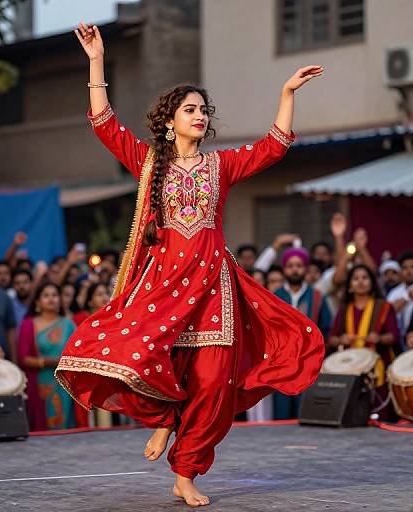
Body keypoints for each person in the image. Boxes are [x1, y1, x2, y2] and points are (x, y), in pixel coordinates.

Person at [55, 22, 324, 508]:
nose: (200, 116)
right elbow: (104, 123)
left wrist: (286, 92)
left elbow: (274, 146)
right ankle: (163, 418)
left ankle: (186, 470)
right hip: (161, 288)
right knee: (137, 357)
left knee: (215, 381)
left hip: (213, 289)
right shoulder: (148, 164)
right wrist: (97, 60)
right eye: (190, 109)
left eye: (204, 110)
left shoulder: (221, 166)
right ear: (168, 122)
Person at [328, 264, 400, 420]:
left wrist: (379, 338)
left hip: (377, 365)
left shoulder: (384, 307)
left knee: (379, 414)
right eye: (355, 279)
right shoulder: (345, 309)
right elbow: (331, 339)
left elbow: (394, 336)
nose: (360, 282)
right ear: (350, 286)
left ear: (372, 283)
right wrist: (342, 339)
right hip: (350, 367)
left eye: (365, 278)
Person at [273, 247, 331, 419]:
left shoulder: (317, 297)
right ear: (284, 269)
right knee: (282, 411)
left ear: (305, 268)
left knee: (305, 409)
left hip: (308, 361)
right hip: (281, 362)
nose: (295, 269)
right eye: (290, 266)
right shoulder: (275, 296)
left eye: (299, 265)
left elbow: (326, 327)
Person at [18, 282, 77, 430]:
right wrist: (46, 362)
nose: (51, 299)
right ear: (38, 302)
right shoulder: (28, 325)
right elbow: (23, 358)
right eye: (46, 295)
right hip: (39, 382)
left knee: (65, 425)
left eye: (55, 295)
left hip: (65, 382)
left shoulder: (69, 324)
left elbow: (78, 354)